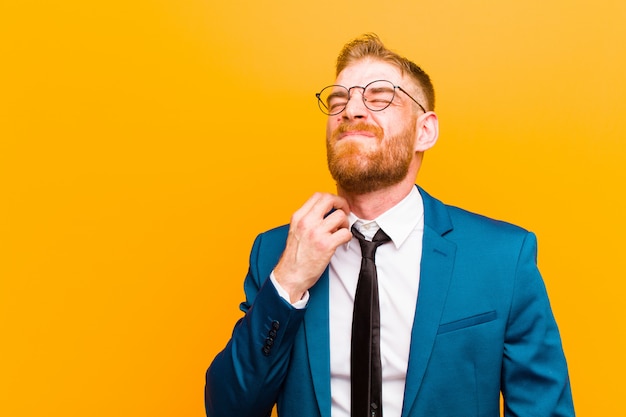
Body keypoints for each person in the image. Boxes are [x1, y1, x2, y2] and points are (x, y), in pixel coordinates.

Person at [204, 34, 574, 417]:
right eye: (338, 100)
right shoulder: (275, 253)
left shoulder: (502, 258)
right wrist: (288, 282)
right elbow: (228, 408)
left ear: (424, 131)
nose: (351, 110)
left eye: (379, 97)